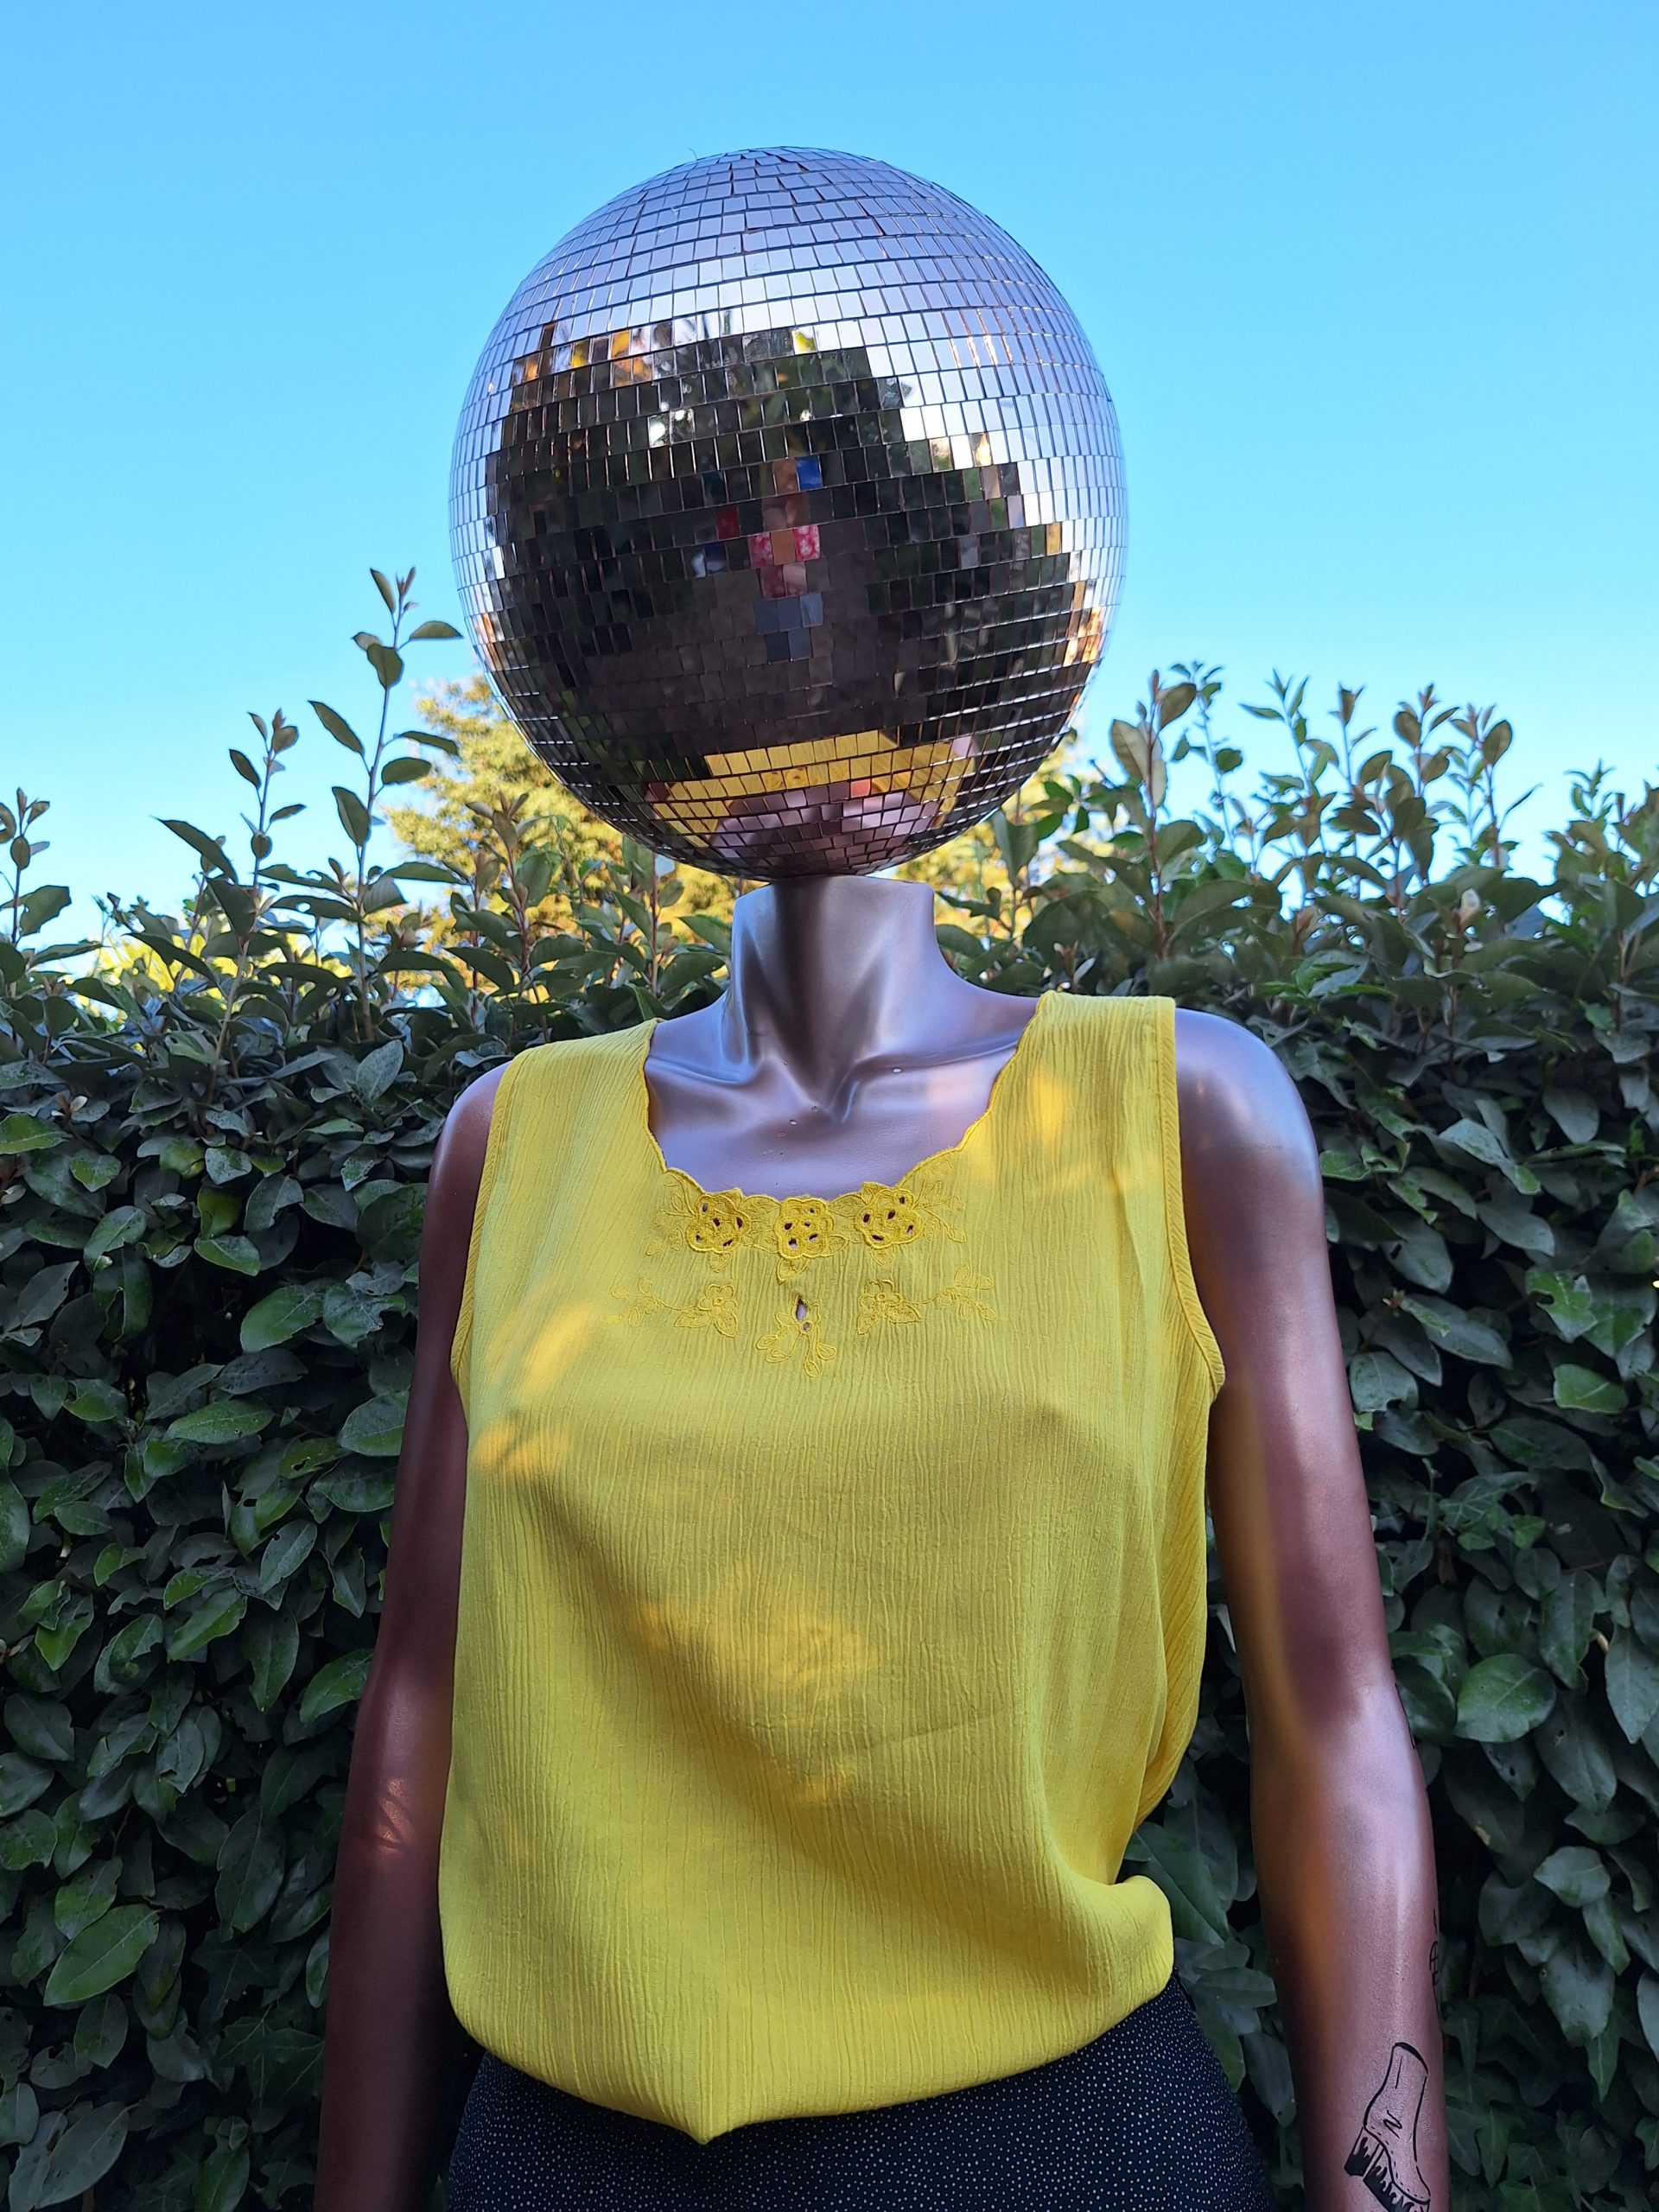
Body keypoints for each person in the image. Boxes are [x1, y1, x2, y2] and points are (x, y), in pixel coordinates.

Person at [314, 874, 1448, 2212]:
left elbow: (1338, 1723)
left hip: (1066, 2154)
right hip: (572, 2159)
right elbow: (421, 1697)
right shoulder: (515, 1141)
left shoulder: (1181, 1106)